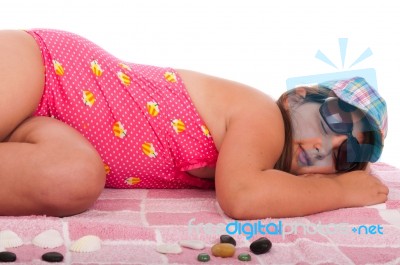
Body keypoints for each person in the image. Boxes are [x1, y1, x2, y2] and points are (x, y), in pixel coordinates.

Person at [0, 29, 389, 219]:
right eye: (334, 119)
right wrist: (340, 189)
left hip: (54, 131)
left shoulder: (263, 166)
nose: (327, 145)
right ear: (300, 96)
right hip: (48, 68)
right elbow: (243, 197)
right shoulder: (265, 117)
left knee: (73, 181)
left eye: (348, 154)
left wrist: (345, 176)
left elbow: (265, 188)